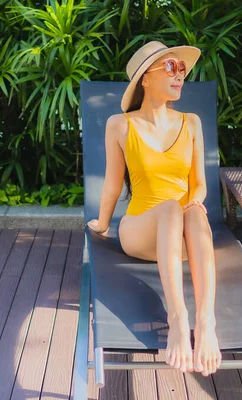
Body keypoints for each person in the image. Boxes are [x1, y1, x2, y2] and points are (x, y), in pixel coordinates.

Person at [87, 41, 222, 377]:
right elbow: (113, 184)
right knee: (169, 210)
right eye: (172, 67)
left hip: (183, 240)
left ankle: (206, 322)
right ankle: (178, 319)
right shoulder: (120, 124)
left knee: (189, 211)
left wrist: (197, 200)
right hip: (141, 229)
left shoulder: (191, 122)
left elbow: (200, 184)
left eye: (183, 70)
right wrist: (102, 225)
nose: (181, 76)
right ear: (145, 79)